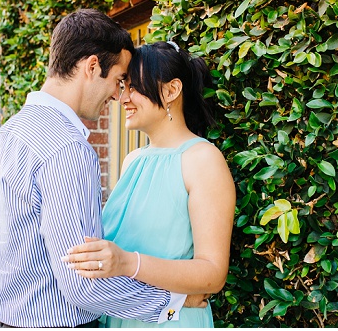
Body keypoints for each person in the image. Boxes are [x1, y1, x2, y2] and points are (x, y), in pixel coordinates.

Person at [0, 10, 208, 328]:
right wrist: (172, 305)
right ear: (91, 67)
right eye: (118, 81)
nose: (118, 96)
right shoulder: (68, 149)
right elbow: (84, 285)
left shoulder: (2, 138)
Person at [63, 41, 236, 328]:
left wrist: (128, 263)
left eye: (135, 87)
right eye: (124, 86)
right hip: (121, 317)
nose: (123, 98)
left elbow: (213, 273)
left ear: (171, 90)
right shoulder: (133, 160)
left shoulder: (202, 160)